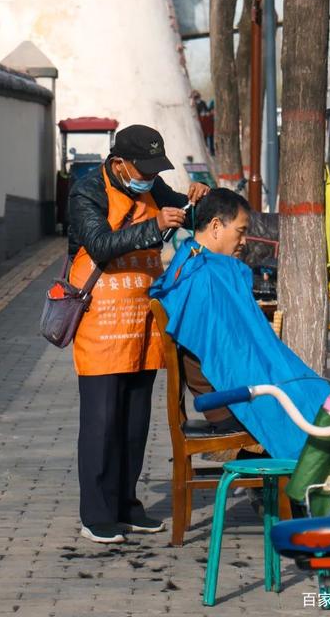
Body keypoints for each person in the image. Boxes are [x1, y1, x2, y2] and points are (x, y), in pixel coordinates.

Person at [67, 124, 210, 544]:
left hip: (143, 320)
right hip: (101, 322)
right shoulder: (86, 191)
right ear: (118, 163)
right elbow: (99, 243)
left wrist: (194, 201)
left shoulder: (152, 185)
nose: (148, 177)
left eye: (154, 169)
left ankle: (127, 505)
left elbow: (182, 214)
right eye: (142, 168)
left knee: (134, 421)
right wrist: (154, 228)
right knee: (101, 421)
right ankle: (96, 513)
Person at [150, 188, 330, 461]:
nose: (244, 241)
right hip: (228, 402)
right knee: (312, 409)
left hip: (230, 389)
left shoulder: (196, 265)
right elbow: (232, 356)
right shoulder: (204, 277)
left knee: (318, 398)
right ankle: (299, 494)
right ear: (215, 226)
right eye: (240, 231)